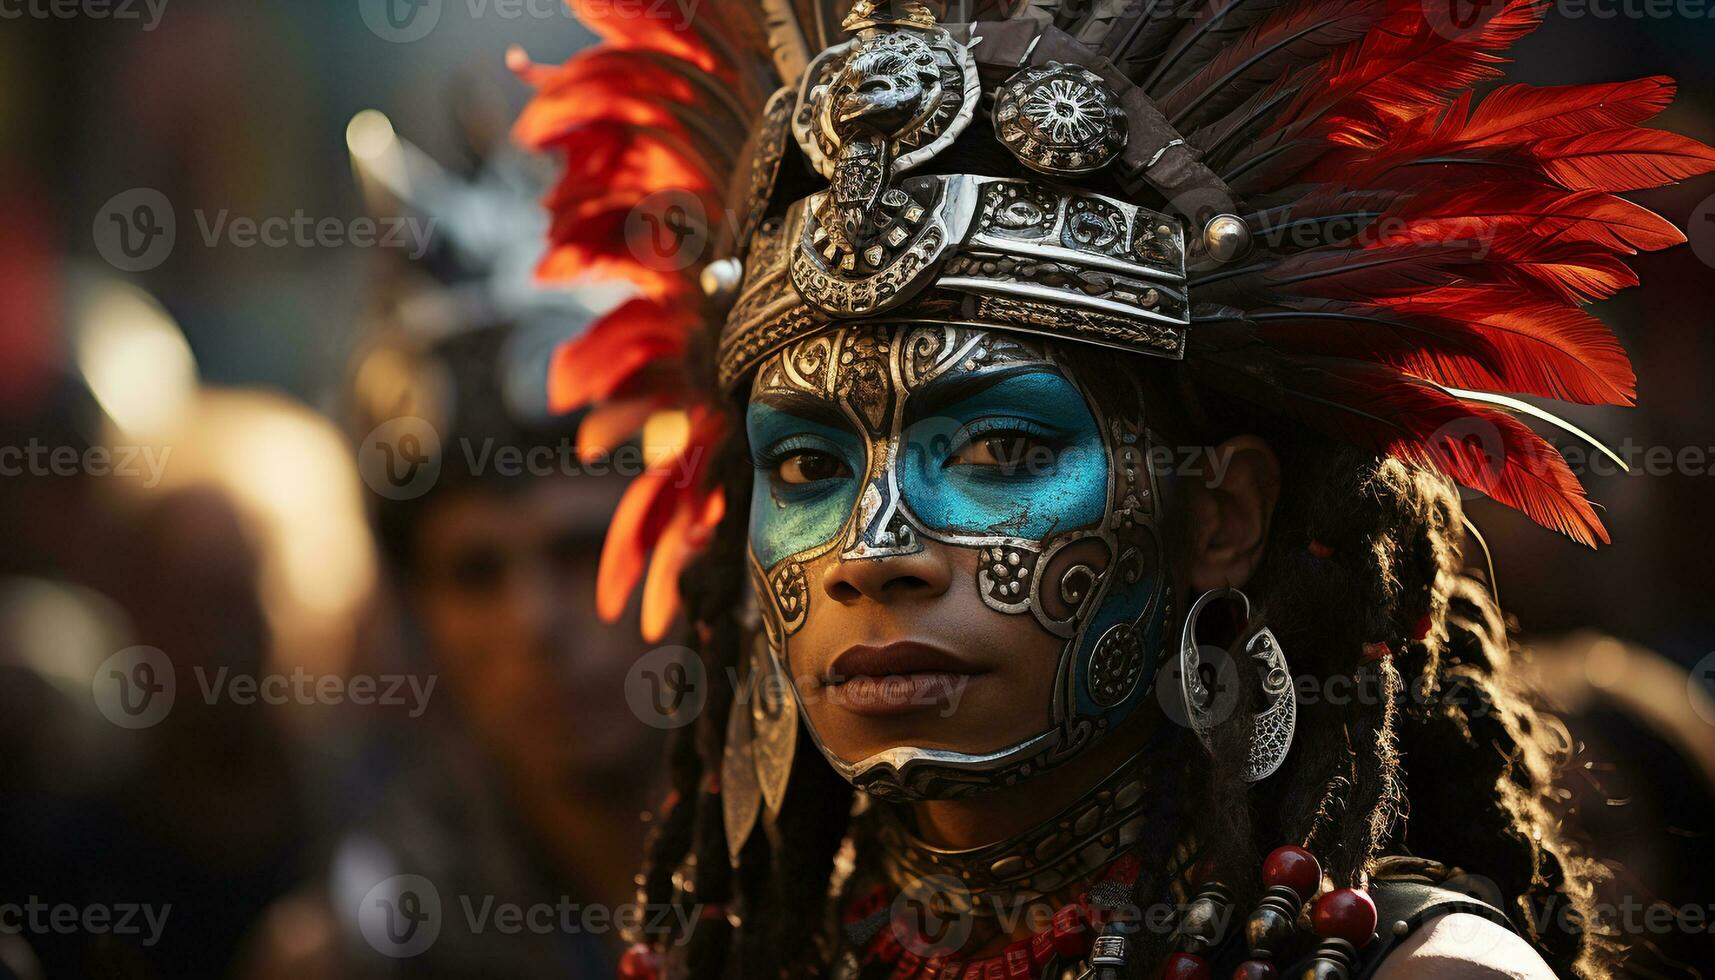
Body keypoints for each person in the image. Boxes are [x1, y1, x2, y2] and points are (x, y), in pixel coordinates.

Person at [511, 0, 1715, 976]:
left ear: (1216, 518)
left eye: (995, 452)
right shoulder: (756, 952)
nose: (871, 548)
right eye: (810, 466)